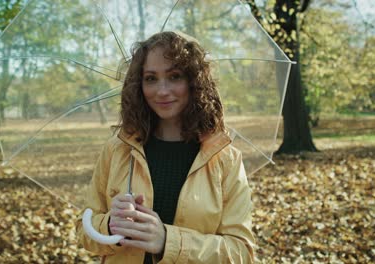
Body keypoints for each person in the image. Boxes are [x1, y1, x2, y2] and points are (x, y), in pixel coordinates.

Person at [76, 31, 255, 263]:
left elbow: (241, 252)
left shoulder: (224, 158)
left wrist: (167, 241)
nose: (161, 91)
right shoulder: (117, 150)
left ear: (194, 82)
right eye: (151, 78)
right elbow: (84, 229)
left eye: (174, 76)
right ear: (139, 85)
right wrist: (110, 225)